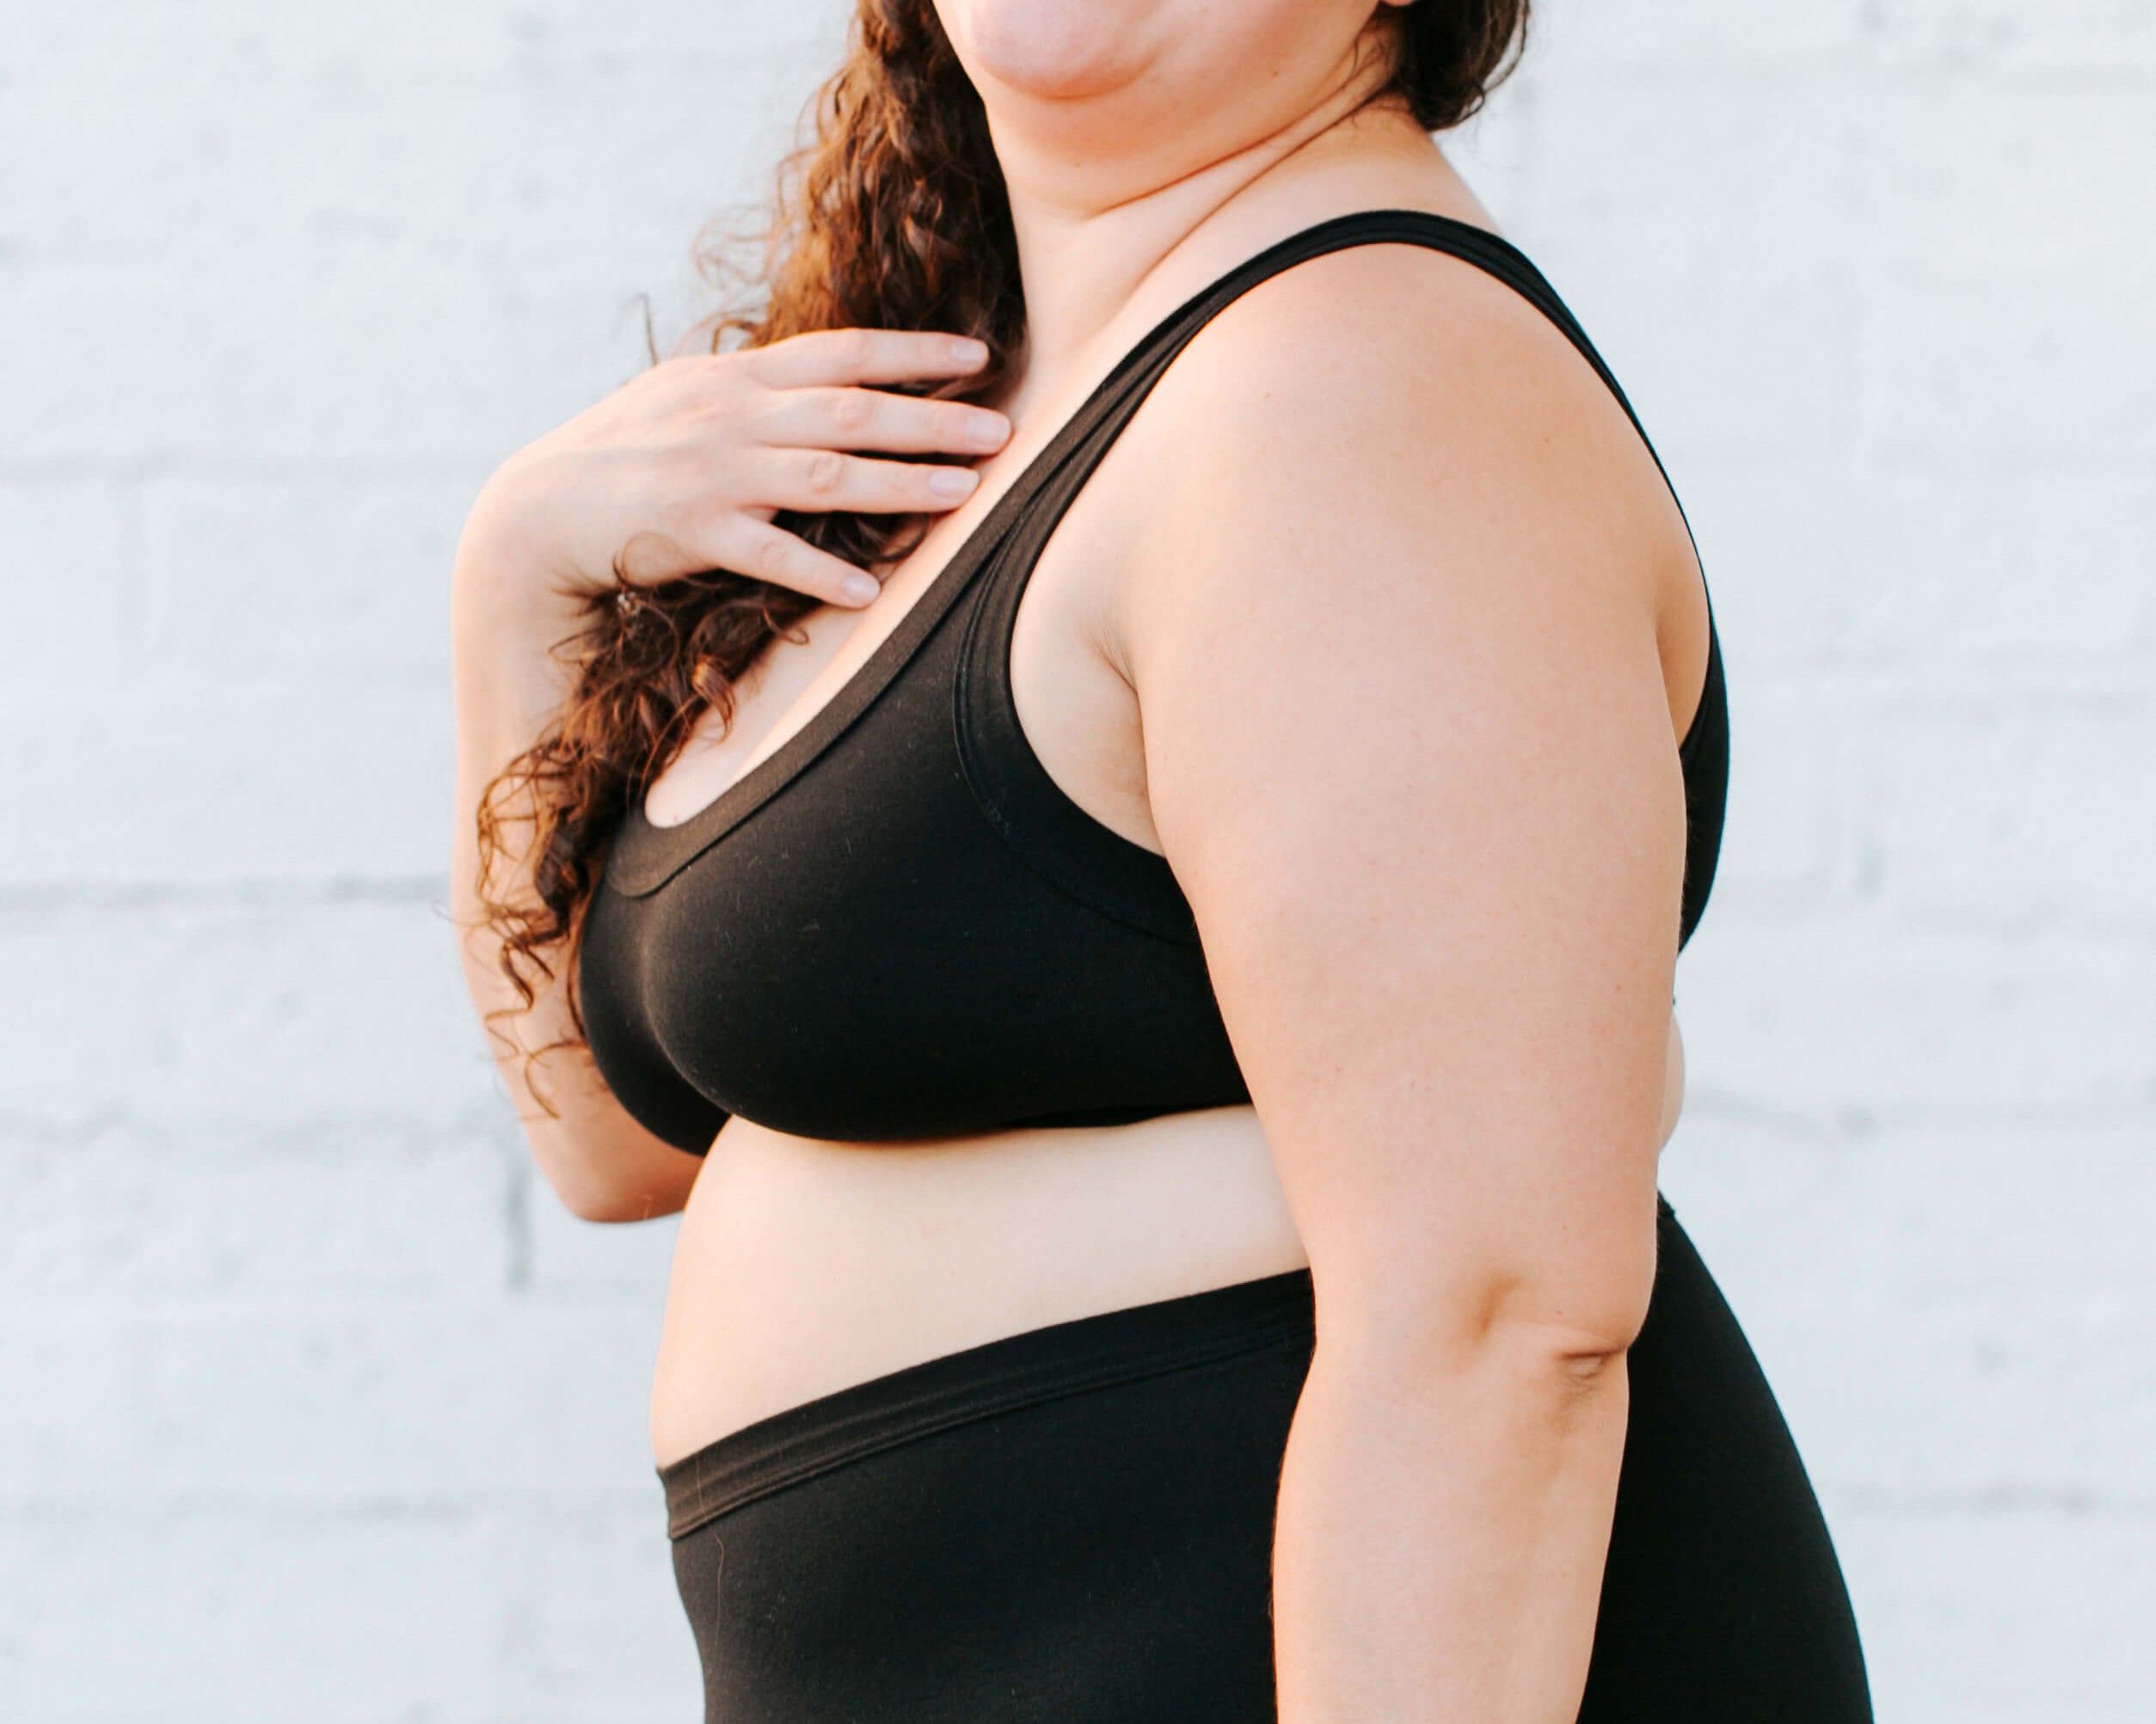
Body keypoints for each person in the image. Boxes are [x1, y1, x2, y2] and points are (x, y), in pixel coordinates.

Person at [451, 2, 1872, 1717]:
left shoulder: (1358, 379)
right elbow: (620, 1147)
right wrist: (517, 571)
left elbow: (1497, 1312)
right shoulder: (968, 421)